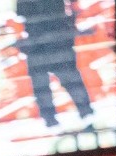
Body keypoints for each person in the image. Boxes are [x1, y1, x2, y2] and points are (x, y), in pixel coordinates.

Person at [14, 0, 94, 129]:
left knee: (46, 83)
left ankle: (53, 119)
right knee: (67, 80)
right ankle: (82, 113)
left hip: (42, 42)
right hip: (54, 40)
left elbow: (21, 15)